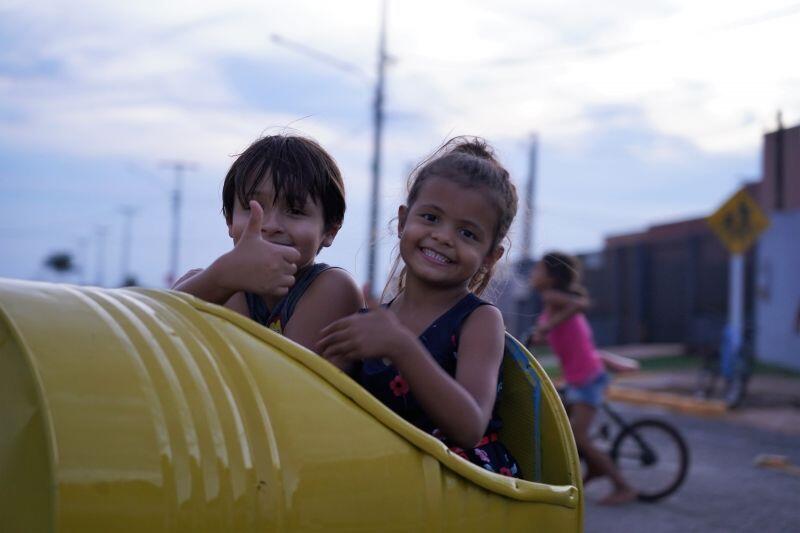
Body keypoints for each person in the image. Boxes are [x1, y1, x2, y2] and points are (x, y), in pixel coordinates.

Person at [317, 137, 521, 476]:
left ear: (490, 257)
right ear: (402, 222)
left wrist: (401, 347)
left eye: (468, 233)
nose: (443, 236)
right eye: (430, 217)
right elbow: (320, 397)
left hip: (460, 486)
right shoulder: (372, 322)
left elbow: (469, 427)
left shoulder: (480, 321)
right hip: (388, 478)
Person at [173, 134, 362, 358]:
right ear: (230, 221)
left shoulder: (333, 289)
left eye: (295, 210)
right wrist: (217, 279)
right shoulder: (217, 282)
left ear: (330, 230)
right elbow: (148, 332)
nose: (270, 225)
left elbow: (287, 383)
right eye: (253, 207)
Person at [529, 251, 637, 505]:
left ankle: (623, 486)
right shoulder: (551, 302)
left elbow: (579, 306)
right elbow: (561, 332)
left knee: (578, 436)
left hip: (586, 377)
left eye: (538, 270)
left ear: (551, 276)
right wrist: (541, 334)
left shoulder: (552, 297)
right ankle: (593, 466)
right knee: (561, 423)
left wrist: (548, 325)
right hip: (579, 376)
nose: (533, 274)